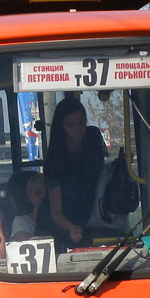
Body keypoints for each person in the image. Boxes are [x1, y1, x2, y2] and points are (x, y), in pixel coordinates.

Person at [39, 96, 107, 246]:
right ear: (60, 127)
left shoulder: (93, 139)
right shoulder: (55, 159)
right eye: (70, 125)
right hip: (58, 230)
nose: (78, 129)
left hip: (89, 223)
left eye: (82, 123)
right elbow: (55, 212)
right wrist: (72, 228)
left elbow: (103, 177)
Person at [8, 170, 46, 241]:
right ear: (30, 197)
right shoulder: (21, 222)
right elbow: (26, 246)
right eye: (38, 193)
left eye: (47, 193)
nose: (43, 197)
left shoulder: (63, 223)